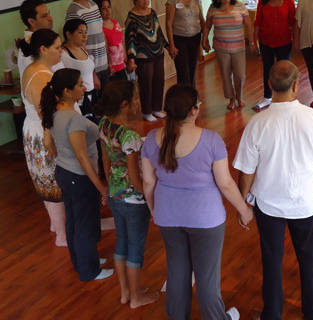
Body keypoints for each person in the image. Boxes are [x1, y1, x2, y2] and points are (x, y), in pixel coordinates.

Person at [141, 85, 252, 320]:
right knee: (206, 279)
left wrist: (153, 210)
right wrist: (244, 210)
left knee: (177, 272)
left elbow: (148, 182)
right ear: (193, 111)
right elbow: (225, 183)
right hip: (206, 219)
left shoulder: (151, 139)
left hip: (168, 215)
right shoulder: (211, 140)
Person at [234, 60, 313, 320]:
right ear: (296, 85)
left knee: (272, 260)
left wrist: (243, 203)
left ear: (269, 84)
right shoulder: (312, 118)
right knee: (309, 258)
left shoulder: (258, 123)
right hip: (305, 203)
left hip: (269, 204)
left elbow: (247, 170)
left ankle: (272, 313)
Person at [41, 68, 113, 281]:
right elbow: (82, 157)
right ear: (67, 91)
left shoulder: (56, 114)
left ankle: (81, 262)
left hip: (65, 172)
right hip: (78, 177)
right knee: (84, 223)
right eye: (80, 84)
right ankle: (90, 270)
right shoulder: (73, 120)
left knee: (74, 220)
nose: (84, 87)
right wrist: (101, 188)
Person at [97, 80, 159, 308]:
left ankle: (125, 292)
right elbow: (134, 177)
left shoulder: (103, 124)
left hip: (115, 194)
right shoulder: (129, 136)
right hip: (133, 200)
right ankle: (136, 297)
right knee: (135, 249)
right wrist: (150, 200)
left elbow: (105, 159)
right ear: (124, 104)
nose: (138, 102)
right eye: (135, 99)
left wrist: (109, 187)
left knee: (121, 243)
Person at [19, 29, 66, 246]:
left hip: (37, 130)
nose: (61, 51)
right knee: (53, 184)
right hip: (43, 132)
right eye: (57, 47)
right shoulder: (40, 75)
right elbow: (46, 114)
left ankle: (57, 226)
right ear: (43, 49)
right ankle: (62, 234)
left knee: (49, 181)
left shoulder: (37, 69)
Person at [203, 0, 256, 110]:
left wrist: (251, 42)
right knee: (226, 75)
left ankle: (239, 96)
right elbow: (207, 25)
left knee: (240, 75)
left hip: (238, 47)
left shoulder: (239, 5)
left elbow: (248, 25)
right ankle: (231, 98)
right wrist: (204, 40)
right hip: (221, 47)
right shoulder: (213, 8)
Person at [125, 0, 168, 122]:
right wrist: (131, 58)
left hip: (158, 53)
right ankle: (147, 111)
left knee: (159, 81)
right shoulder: (131, 17)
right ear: (135, 0)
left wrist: (167, 46)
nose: (145, 1)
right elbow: (130, 39)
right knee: (146, 84)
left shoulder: (152, 12)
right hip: (143, 57)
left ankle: (157, 109)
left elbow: (158, 31)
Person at [253, 0, 296, 111]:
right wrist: (254, 41)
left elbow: (293, 21)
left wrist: (296, 39)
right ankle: (267, 96)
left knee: (284, 69)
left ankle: (286, 95)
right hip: (266, 41)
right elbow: (257, 22)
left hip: (284, 41)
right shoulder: (262, 1)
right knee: (268, 68)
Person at [65, 0, 110, 90]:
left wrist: (108, 60)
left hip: (104, 65)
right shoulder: (74, 11)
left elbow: (101, 33)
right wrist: (93, 73)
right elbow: (78, 44)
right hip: (91, 70)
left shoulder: (94, 5)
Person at [165, 0, 205, 88]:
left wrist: (205, 38)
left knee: (192, 69)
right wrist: (171, 45)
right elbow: (168, 23)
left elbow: (201, 19)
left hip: (195, 37)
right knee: (183, 72)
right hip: (179, 39)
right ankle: (183, 97)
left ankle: (191, 96)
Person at [17, 0, 63, 80]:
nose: (50, 18)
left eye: (49, 14)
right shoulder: (29, 49)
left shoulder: (45, 38)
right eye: (44, 16)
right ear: (31, 21)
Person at [61, 19, 97, 120]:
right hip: (79, 98)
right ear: (68, 34)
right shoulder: (63, 53)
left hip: (91, 93)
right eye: (80, 32)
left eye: (86, 32)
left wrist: (94, 77)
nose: (85, 36)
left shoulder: (82, 48)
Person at [94, 0, 133, 81]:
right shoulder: (99, 28)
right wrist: (109, 65)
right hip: (110, 68)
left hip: (121, 65)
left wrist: (126, 58)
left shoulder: (116, 23)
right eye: (104, 8)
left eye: (109, 7)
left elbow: (121, 42)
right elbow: (105, 49)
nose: (108, 10)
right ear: (98, 10)